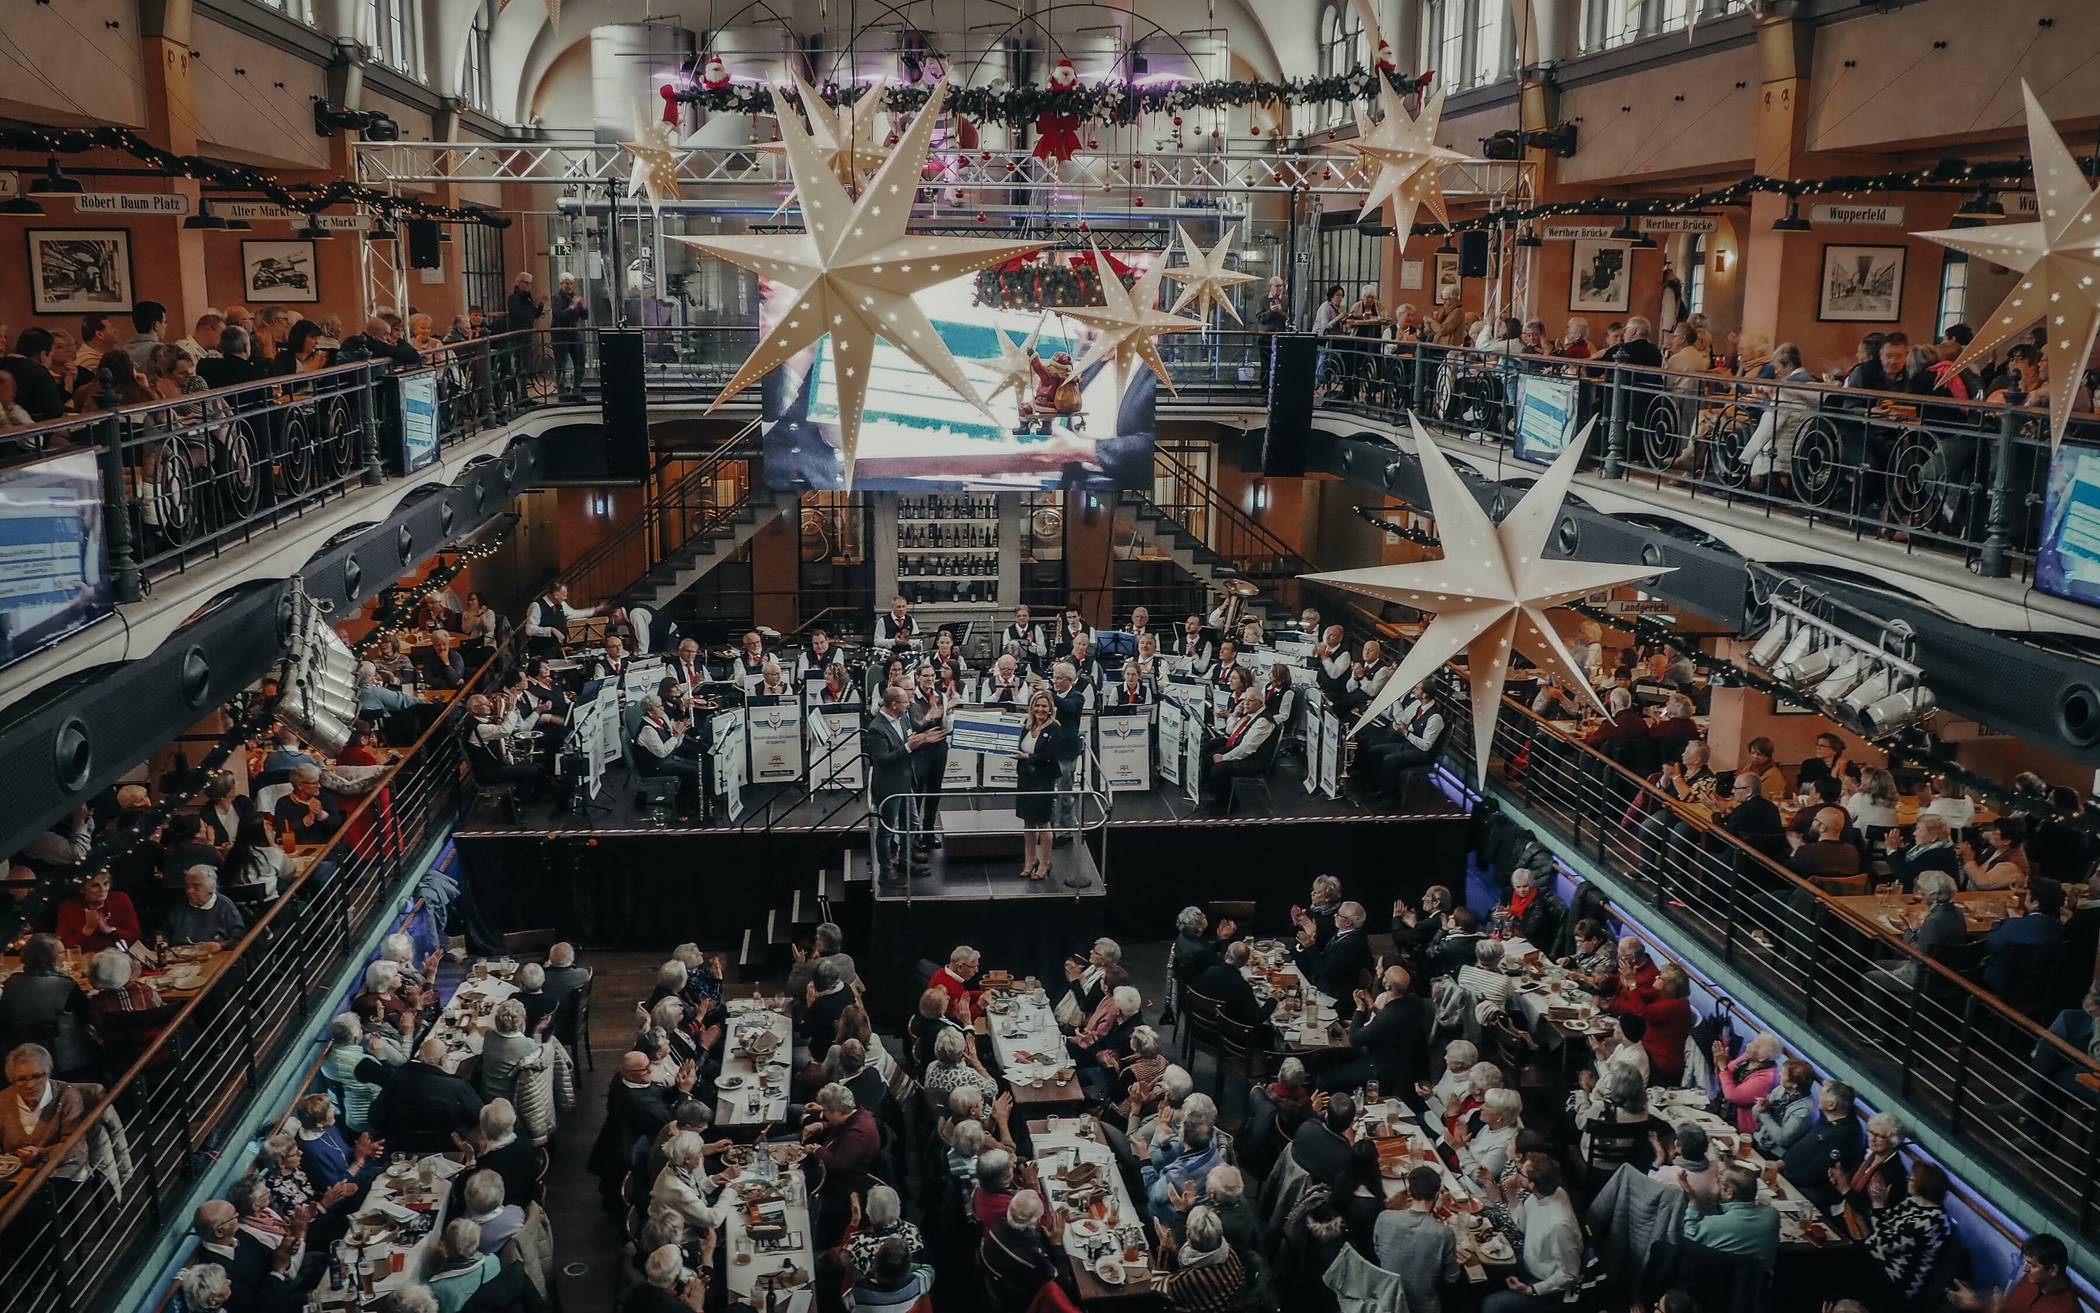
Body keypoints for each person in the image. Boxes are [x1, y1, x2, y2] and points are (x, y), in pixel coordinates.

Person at [1480, 1153, 1582, 1311]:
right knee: (1484, 1274)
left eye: (1521, 1173)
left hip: (1544, 1287)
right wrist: (1512, 1193)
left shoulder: (1560, 1225)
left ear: (1533, 1184)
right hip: (1528, 1264)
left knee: (1492, 1305)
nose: (1516, 1173)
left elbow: (1569, 1274)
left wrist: (1532, 1290)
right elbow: (1522, 1225)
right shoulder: (1539, 1195)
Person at [865, 687, 938, 886]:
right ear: (894, 704)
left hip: (906, 781)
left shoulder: (904, 718)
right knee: (887, 829)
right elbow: (883, 759)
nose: (909, 704)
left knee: (911, 824)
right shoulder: (876, 728)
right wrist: (908, 747)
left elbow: (909, 740)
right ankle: (885, 872)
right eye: (905, 701)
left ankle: (905, 862)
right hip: (888, 786)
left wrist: (922, 739)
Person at [1866, 1161, 1955, 1308]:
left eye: (1912, 1179)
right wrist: (1879, 1211)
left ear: (1924, 1185)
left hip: (1895, 1283)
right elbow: (1883, 1222)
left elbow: (1886, 1243)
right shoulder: (1912, 1202)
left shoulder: (1933, 1222)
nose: (1908, 1179)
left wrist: (1877, 1205)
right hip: (1876, 1261)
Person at [0, 939, 94, 1077]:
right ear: (49, 958)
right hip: (67, 1063)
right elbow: (89, 1016)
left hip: (21, 1060)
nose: (64, 956)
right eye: (62, 953)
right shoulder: (65, 986)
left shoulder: (11, 983)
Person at [1374, 1164, 1460, 1313]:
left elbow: (1378, 1250)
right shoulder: (1444, 1233)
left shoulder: (1384, 1217)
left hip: (1387, 1299)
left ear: (1409, 1192)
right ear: (1437, 1195)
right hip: (1424, 1306)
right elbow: (1451, 1277)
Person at [1012, 689, 1068, 880]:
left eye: (1044, 706)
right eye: (1037, 705)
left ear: (1050, 708)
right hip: (1025, 779)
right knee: (1028, 822)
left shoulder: (1055, 728)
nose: (1040, 709)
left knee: (1043, 822)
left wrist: (1027, 756)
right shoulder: (1026, 726)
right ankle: (1029, 861)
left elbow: (1051, 755)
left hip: (1043, 781)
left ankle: (1045, 862)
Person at [1947, 1232, 2077, 1313]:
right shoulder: (2030, 1280)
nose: (2024, 1268)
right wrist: (1978, 1304)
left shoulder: (2066, 1308)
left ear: (2052, 1270)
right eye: (2026, 1262)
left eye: (2032, 1265)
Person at [1201, 691, 1274, 811]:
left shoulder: (1263, 721)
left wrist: (1224, 758)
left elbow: (1247, 748)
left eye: (1250, 701)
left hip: (1255, 760)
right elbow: (1231, 732)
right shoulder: (1251, 715)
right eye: (1245, 700)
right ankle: (1213, 792)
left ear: (1260, 703)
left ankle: (1227, 806)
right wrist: (1235, 714)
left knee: (1219, 769)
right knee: (1210, 756)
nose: (1246, 704)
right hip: (1242, 749)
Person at [55, 869, 142, 954]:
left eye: (105, 884)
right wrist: (87, 930)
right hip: (85, 962)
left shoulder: (120, 899)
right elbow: (62, 947)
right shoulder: (68, 906)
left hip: (119, 957)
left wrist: (110, 930)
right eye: (95, 885)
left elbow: (135, 936)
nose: (102, 889)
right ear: (82, 889)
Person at [163, 866, 247, 950]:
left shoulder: (224, 905)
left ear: (210, 888)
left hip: (214, 957)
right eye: (187, 886)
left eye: (196, 887)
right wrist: (162, 942)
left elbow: (238, 937)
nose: (189, 891)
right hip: (180, 956)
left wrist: (220, 946)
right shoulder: (179, 906)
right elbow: (163, 931)